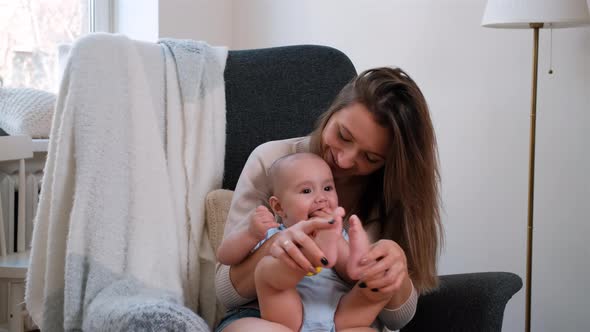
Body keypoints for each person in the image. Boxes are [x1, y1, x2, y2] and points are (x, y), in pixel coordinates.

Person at [215, 67, 442, 332]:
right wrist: (281, 244)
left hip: (345, 318)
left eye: (370, 158)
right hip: (265, 315)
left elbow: (398, 319)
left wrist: (390, 271)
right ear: (332, 112)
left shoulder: (391, 192)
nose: (344, 160)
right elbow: (224, 292)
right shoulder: (273, 159)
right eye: (343, 136)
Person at [217, 152, 383, 331]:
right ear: (278, 207)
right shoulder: (270, 233)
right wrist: (250, 233)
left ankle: (320, 251)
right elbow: (225, 256)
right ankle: (300, 255)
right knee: (272, 266)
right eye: (306, 191)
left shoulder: (341, 236)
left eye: (327, 188)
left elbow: (352, 273)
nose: (321, 198)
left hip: (337, 318)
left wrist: (335, 241)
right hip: (283, 317)